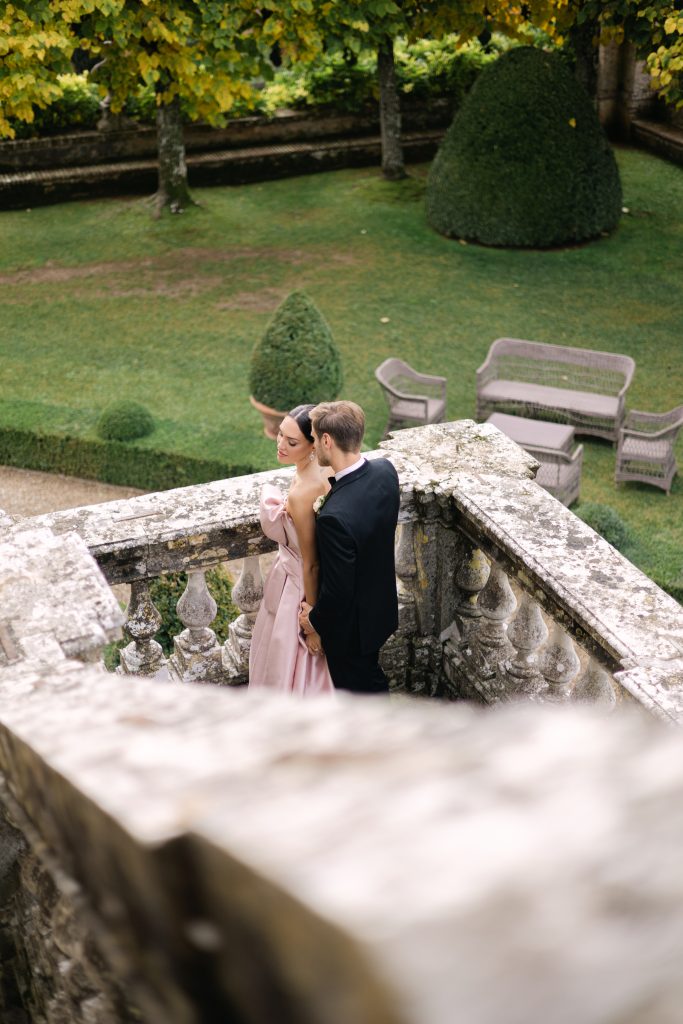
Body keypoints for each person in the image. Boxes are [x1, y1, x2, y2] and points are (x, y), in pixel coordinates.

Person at [299, 400, 400, 694]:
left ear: (327, 441)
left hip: (351, 631)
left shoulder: (334, 517)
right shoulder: (385, 472)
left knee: (360, 695)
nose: (314, 445)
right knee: (370, 679)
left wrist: (313, 620)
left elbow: (339, 590)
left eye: (315, 439)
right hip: (380, 610)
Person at [248, 404, 334, 696]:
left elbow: (311, 563)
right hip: (293, 576)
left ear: (313, 446)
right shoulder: (326, 469)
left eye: (292, 441)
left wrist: (313, 623)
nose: (281, 445)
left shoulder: (302, 493)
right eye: (280, 435)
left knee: (285, 663)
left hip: (297, 590)